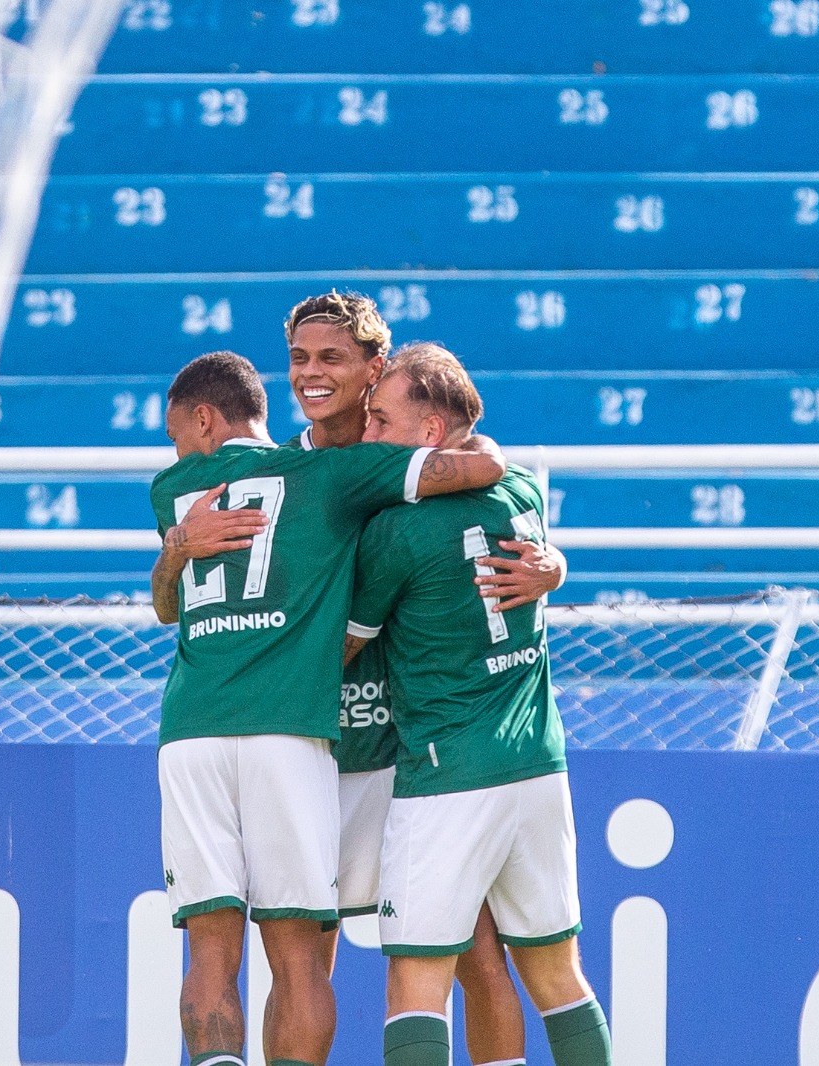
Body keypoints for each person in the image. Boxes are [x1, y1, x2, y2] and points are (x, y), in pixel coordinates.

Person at [172, 290, 560, 1064]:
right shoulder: (287, 469)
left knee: (473, 954)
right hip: (318, 741)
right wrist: (181, 542)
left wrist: (553, 564)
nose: (311, 377)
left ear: (375, 368)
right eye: (300, 361)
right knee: (304, 955)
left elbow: (503, 492)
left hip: (409, 747)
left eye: (332, 360)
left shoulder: (426, 454)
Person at [344, 346, 611, 1066]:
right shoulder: (522, 491)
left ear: (430, 434)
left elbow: (344, 644)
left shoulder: (395, 532)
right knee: (558, 974)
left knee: (416, 980)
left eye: (381, 418)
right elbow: (493, 466)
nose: (367, 433)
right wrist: (556, 567)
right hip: (537, 764)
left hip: (448, 775)